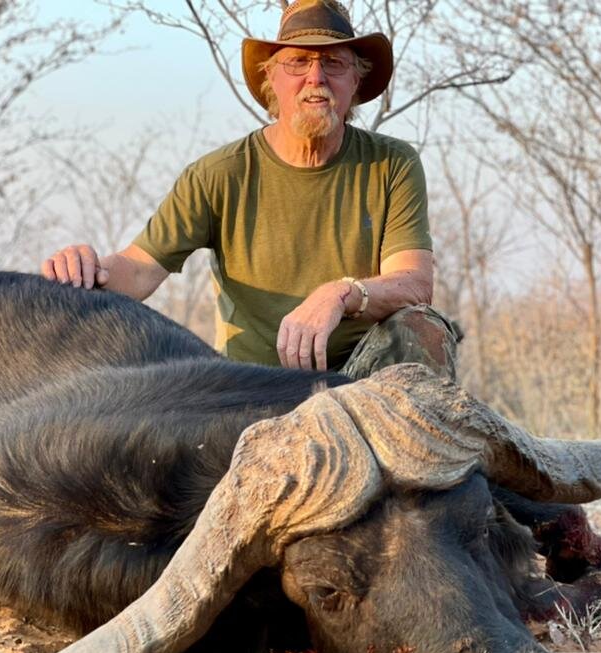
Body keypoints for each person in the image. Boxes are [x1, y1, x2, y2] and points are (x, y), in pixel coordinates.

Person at [42, 0, 459, 380]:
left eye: (333, 63)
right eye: (297, 62)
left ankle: (427, 461)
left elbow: (413, 283)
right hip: (256, 385)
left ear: (355, 80)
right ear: (271, 80)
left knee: (421, 328)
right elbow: (137, 271)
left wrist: (341, 293)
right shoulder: (218, 175)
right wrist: (85, 270)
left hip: (362, 378)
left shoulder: (393, 163)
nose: (316, 78)